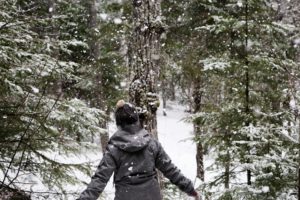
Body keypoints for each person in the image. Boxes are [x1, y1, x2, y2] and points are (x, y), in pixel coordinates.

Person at [77, 100, 200, 200]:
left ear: (118, 124)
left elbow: (99, 179)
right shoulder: (152, 144)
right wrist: (190, 189)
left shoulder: (114, 148)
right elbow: (171, 170)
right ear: (137, 120)